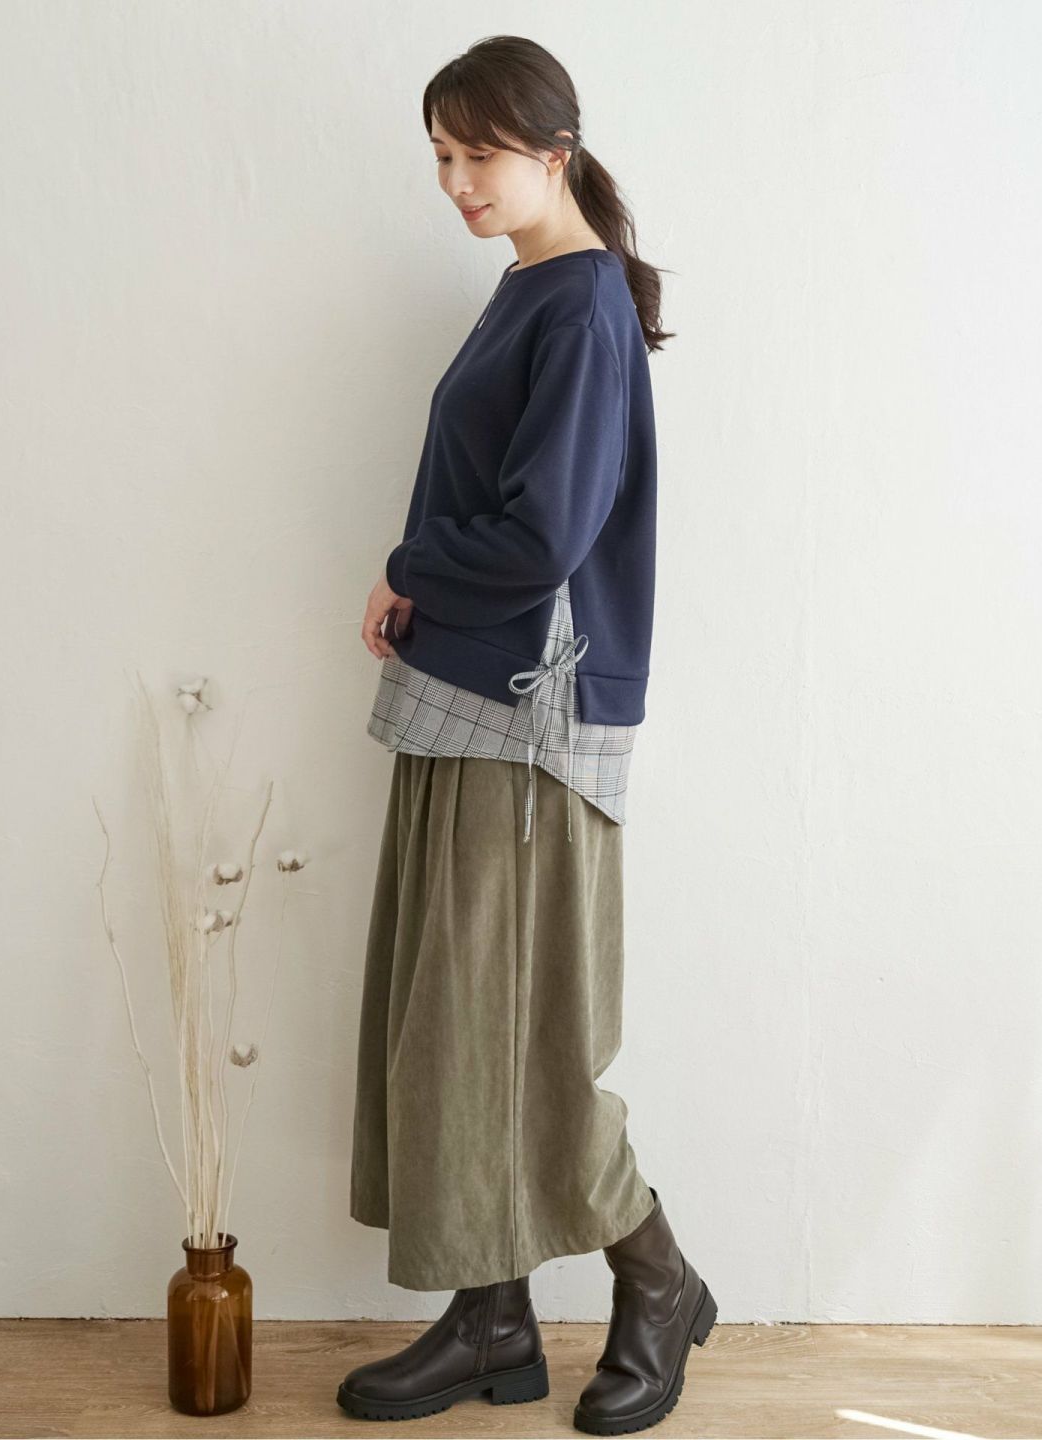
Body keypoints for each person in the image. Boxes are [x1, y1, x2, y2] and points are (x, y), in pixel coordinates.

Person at [338, 35, 717, 1434]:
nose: (456, 181)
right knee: (456, 1026)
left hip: (527, 718)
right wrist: (418, 579)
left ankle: (661, 1283)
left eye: (479, 153)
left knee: (532, 1040)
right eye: (441, 155)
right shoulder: (530, 289)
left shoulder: (582, 306)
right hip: (471, 705)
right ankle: (493, 1318)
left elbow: (545, 535)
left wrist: (410, 567)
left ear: (555, 152)